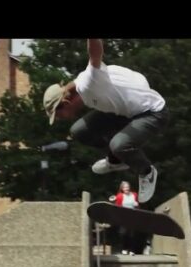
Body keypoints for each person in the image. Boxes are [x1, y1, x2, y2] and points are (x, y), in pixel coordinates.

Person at [42, 39, 168, 204]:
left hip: (152, 113)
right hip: (123, 112)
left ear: (65, 104)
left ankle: (146, 172)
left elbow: (95, 54)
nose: (60, 119)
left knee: (118, 145)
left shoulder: (89, 82)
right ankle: (116, 160)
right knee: (79, 131)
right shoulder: (79, 88)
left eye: (59, 115)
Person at [109, 181, 139, 255]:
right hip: (123, 217)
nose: (126, 188)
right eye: (125, 187)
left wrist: (137, 205)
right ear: (122, 188)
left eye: (127, 187)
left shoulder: (134, 194)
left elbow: (137, 206)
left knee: (132, 234)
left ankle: (132, 250)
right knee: (123, 233)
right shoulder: (119, 196)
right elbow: (116, 207)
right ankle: (124, 248)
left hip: (132, 216)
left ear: (129, 187)